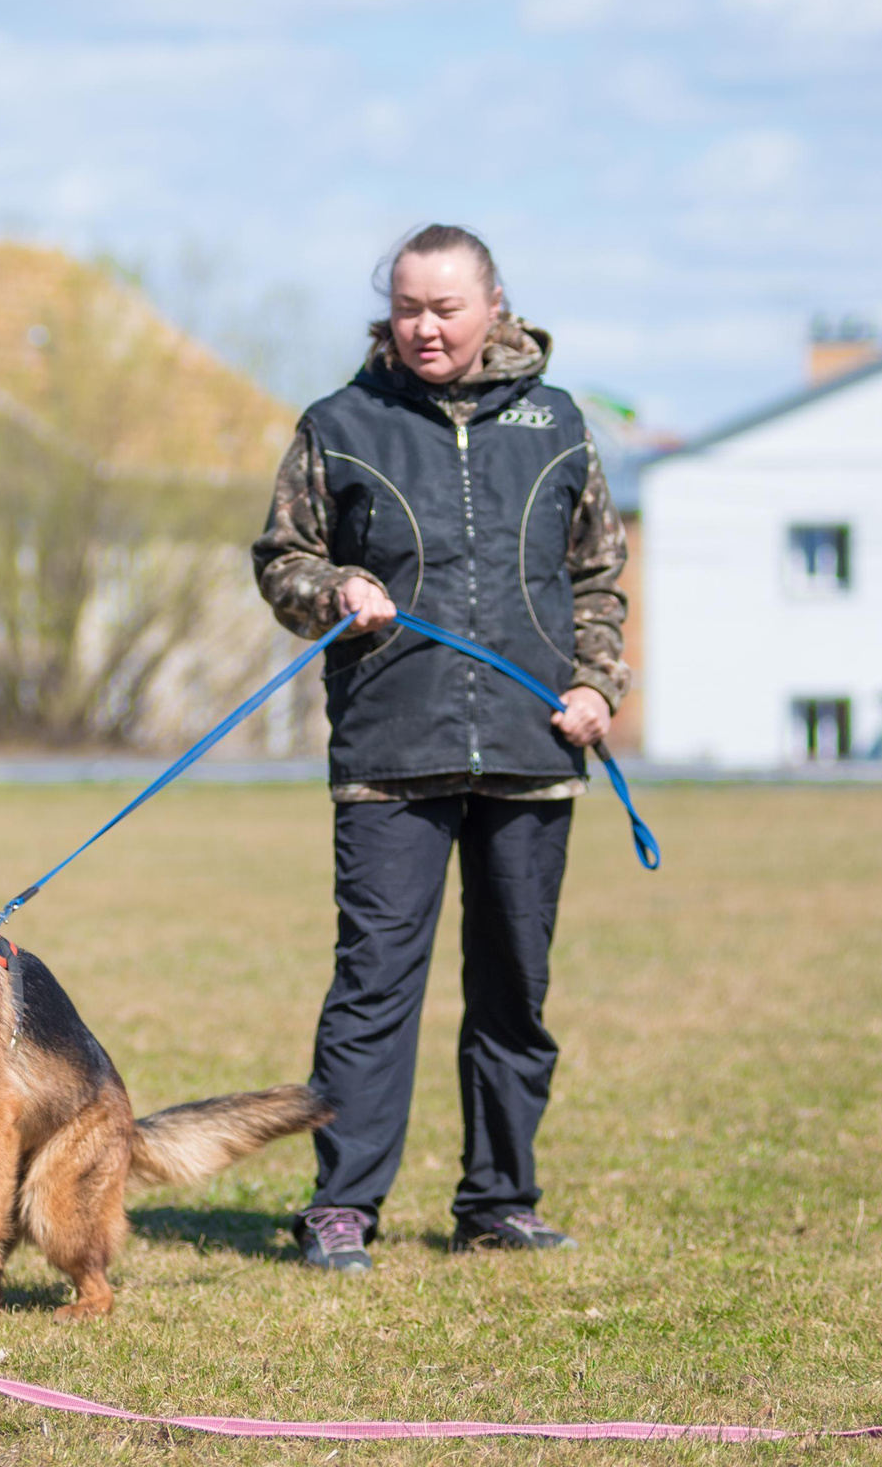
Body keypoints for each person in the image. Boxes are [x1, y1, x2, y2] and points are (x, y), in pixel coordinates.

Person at [251, 224, 628, 1276]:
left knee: (514, 985)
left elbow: (598, 576)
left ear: (495, 305)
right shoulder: (341, 423)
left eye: (446, 308)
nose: (425, 327)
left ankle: (499, 1199)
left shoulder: (558, 424)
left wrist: (598, 682)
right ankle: (341, 1205)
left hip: (531, 744)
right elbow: (283, 556)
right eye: (408, 307)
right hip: (390, 749)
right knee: (374, 985)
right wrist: (335, 590)